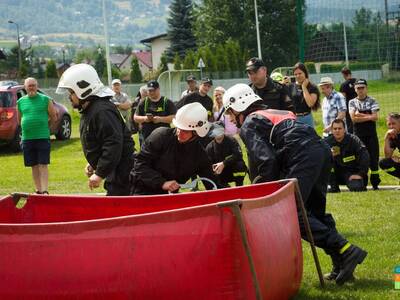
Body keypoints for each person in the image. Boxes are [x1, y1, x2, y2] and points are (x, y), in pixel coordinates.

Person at [222, 83, 367, 286]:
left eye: (230, 112)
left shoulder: (249, 123)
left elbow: (267, 161)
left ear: (239, 106)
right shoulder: (274, 111)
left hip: (303, 155)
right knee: (315, 214)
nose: (229, 118)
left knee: (293, 213)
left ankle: (346, 249)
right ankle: (343, 262)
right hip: (321, 151)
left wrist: (266, 192)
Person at [56, 63, 135, 196]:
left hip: (122, 174)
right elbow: (100, 141)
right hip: (115, 172)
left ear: (83, 90)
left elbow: (113, 144)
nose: (69, 97)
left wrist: (99, 173)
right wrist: (94, 164)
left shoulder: (102, 111)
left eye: (72, 92)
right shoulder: (91, 110)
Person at [130, 103, 219, 195]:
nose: (179, 133)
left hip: (169, 196)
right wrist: (162, 183)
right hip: (143, 191)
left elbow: (211, 181)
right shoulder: (161, 136)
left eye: (185, 131)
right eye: (178, 128)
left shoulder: (198, 154)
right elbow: (139, 165)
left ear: (196, 132)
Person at [17, 77, 57, 194]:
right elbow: (20, 120)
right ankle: (38, 190)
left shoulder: (45, 99)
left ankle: (44, 190)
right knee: (33, 165)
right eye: (29, 85)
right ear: (25, 87)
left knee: (43, 164)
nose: (31, 88)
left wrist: (45, 127)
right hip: (27, 138)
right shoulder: (20, 102)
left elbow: (53, 117)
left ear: (37, 86)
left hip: (42, 137)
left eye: (33, 85)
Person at [348, 79, 381, 190]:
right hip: (358, 136)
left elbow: (375, 117)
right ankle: (363, 182)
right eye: (358, 88)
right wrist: (368, 116)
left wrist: (360, 115)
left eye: (362, 87)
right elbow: (353, 119)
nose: (360, 90)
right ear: (355, 89)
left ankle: (375, 182)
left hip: (371, 135)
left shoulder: (372, 100)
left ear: (366, 88)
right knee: (362, 160)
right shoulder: (352, 102)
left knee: (374, 159)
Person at [324, 119, 370, 192]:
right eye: (335, 129)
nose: (337, 131)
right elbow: (317, 159)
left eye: (339, 128)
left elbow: (364, 156)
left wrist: (360, 174)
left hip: (351, 173)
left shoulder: (353, 140)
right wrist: (328, 155)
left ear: (344, 130)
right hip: (334, 174)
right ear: (332, 130)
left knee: (356, 188)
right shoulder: (326, 142)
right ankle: (333, 186)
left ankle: (358, 182)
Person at [134, 80, 176, 145]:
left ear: (159, 89)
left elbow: (174, 118)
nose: (151, 92)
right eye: (149, 91)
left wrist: (160, 119)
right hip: (147, 138)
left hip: (164, 138)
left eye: (154, 90)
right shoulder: (143, 102)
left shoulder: (167, 102)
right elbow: (135, 117)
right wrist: (145, 118)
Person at [288, 62, 320, 127]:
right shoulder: (291, 86)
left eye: (300, 73)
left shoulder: (312, 87)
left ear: (305, 73)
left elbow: (310, 104)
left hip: (307, 118)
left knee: (309, 137)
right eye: (295, 74)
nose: (298, 76)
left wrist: (304, 87)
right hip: (294, 118)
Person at [379, 112, 400, 180]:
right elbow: (388, 156)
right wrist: (386, 138)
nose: (391, 126)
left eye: (394, 123)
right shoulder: (393, 135)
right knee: (384, 163)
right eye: (389, 124)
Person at [340, 67, 357, 133]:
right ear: (350, 73)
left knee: (350, 126)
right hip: (358, 105)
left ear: (343, 75)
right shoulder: (357, 81)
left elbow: (343, 99)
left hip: (349, 108)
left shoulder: (344, 85)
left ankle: (352, 139)